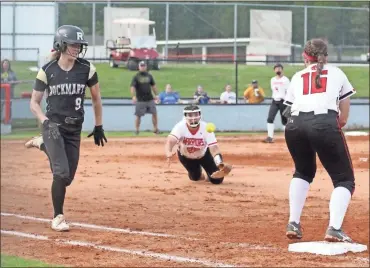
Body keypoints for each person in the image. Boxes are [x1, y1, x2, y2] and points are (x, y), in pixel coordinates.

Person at [26, 25, 107, 232]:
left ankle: (44, 146)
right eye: (72, 44)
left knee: (67, 177)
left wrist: (99, 125)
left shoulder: (87, 68)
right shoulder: (47, 71)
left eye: (79, 45)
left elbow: (96, 99)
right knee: (60, 173)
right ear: (61, 45)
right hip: (53, 127)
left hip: (74, 129)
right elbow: (34, 103)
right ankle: (58, 217)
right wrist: (45, 121)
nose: (77, 48)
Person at [283, 38, 356, 242]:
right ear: (326, 56)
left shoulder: (297, 76)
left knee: (303, 172)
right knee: (344, 180)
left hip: (294, 125)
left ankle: (293, 223)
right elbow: (343, 116)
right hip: (323, 122)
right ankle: (334, 228)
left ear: (305, 58)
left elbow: (287, 111)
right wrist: (331, 128)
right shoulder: (337, 73)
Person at [165, 104, 232, 184]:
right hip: (186, 157)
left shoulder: (206, 127)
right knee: (195, 177)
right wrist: (168, 151)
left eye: (196, 114)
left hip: (204, 155)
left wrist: (220, 163)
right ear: (185, 116)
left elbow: (214, 148)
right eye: (190, 115)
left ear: (200, 115)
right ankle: (199, 173)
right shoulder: (180, 126)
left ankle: (209, 175)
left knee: (217, 180)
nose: (193, 118)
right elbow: (171, 140)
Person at [130, 61, 161, 135]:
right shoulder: (136, 76)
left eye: (144, 66)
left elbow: (153, 86)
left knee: (154, 113)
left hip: (149, 98)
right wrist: (133, 96)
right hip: (140, 99)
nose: (143, 67)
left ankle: (155, 129)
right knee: (138, 115)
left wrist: (156, 95)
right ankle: (137, 130)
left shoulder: (149, 76)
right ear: (139, 67)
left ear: (146, 67)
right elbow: (132, 87)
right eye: (141, 66)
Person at [264, 63, 290, 143]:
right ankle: (270, 137)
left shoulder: (286, 80)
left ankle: (288, 137)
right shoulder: (273, 79)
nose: (278, 70)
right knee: (270, 118)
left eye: (279, 68)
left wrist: (288, 103)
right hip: (275, 101)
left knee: (284, 121)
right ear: (274, 70)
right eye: (276, 68)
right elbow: (274, 90)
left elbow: (289, 91)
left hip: (283, 101)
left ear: (282, 69)